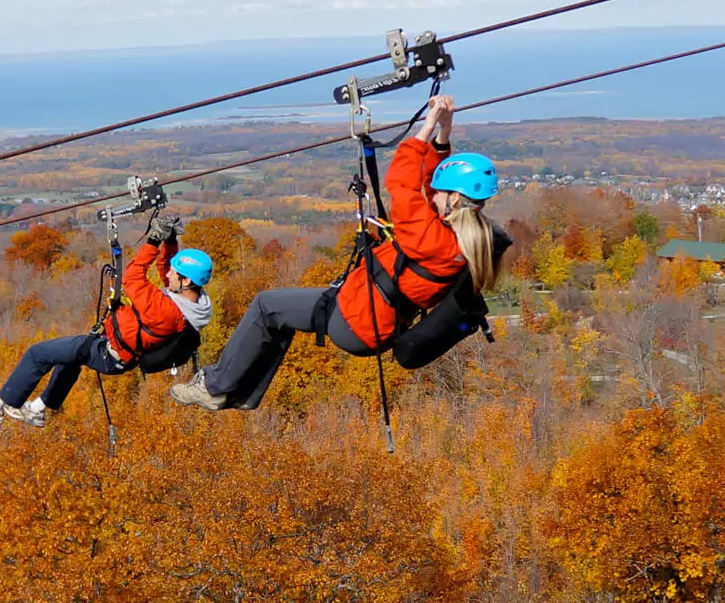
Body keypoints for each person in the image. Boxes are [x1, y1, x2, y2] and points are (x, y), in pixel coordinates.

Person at [170, 94, 504, 411]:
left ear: (455, 200)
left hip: (356, 319)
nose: (432, 198)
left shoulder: (431, 237)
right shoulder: (467, 241)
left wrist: (428, 126)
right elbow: (430, 186)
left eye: (442, 195)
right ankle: (242, 394)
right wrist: (444, 135)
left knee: (266, 306)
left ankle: (214, 388)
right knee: (278, 318)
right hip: (374, 317)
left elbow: (402, 181)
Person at [0, 216, 213, 427]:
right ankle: (37, 408)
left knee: (37, 354)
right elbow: (166, 268)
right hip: (120, 352)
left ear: (187, 281)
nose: (167, 274)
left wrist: (153, 240)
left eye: (174, 273)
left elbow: (133, 277)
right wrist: (169, 241)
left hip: (110, 353)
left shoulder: (166, 311)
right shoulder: (193, 303)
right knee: (68, 357)